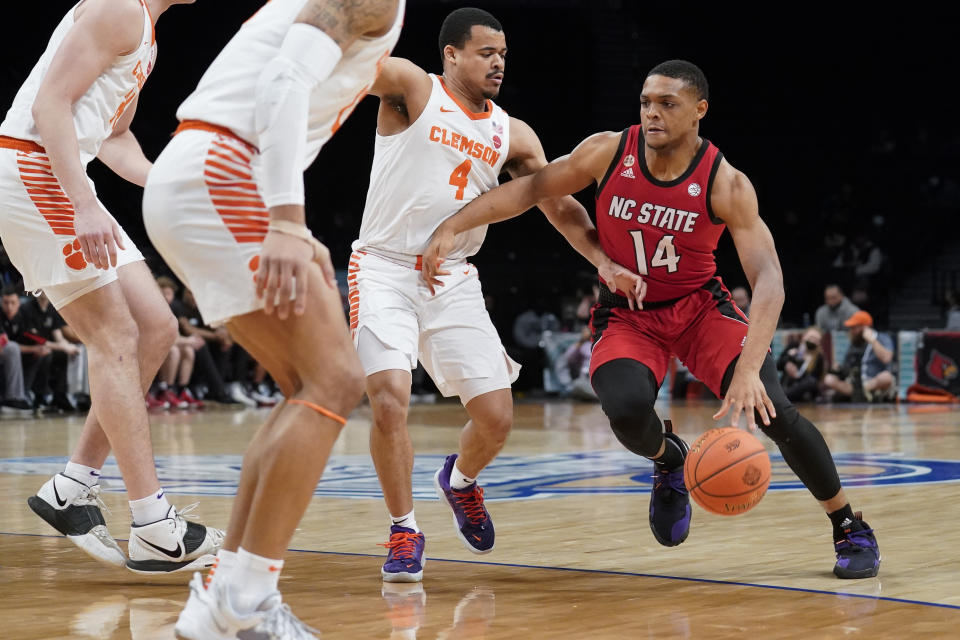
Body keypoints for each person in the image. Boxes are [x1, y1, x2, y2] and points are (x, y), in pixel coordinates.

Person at [423, 60, 880, 579]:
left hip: (700, 310)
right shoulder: (609, 151)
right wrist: (456, 222)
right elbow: (534, 189)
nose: (653, 113)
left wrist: (751, 368)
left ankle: (848, 526)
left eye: (668, 103)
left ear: (699, 111)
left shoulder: (724, 182)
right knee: (624, 409)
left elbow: (768, 278)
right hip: (628, 315)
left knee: (774, 409)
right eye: (646, 102)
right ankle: (669, 461)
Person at [352, 7, 643, 583]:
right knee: (389, 397)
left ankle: (459, 481)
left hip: (455, 276)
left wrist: (606, 263)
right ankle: (404, 529)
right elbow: (355, 64)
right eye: (487, 52)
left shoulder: (513, 133)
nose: (499, 63)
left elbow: (559, 206)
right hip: (384, 267)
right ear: (451, 54)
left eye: (504, 55)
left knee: (497, 419)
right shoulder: (413, 88)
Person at [142, 0, 404, 636]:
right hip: (223, 167)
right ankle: (245, 602)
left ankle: (225, 596)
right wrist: (286, 217)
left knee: (305, 388)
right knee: (336, 382)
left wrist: (285, 215)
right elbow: (285, 79)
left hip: (209, 170)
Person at [0, 0, 223, 572]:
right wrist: (82, 203)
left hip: (57, 171)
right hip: (32, 167)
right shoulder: (119, 7)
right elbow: (51, 103)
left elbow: (114, 136)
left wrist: (166, 184)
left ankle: (70, 489)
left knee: (157, 327)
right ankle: (153, 526)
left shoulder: (146, 30)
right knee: (115, 335)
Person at [823, 311, 895, 402]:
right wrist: (838, 369)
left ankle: (863, 393)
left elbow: (887, 358)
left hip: (875, 383)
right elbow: (847, 368)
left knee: (886, 377)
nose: (851, 331)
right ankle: (860, 394)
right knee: (829, 379)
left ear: (864, 327)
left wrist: (872, 340)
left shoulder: (883, 338)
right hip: (855, 385)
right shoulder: (855, 343)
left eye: (854, 328)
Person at [777, 326, 825, 402]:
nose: (812, 341)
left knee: (810, 382)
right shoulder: (794, 346)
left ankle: (782, 397)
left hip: (803, 392)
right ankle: (782, 397)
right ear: (804, 336)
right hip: (787, 384)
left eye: (816, 339)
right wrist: (787, 361)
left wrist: (800, 374)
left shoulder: (819, 357)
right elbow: (778, 365)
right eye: (811, 337)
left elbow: (815, 380)